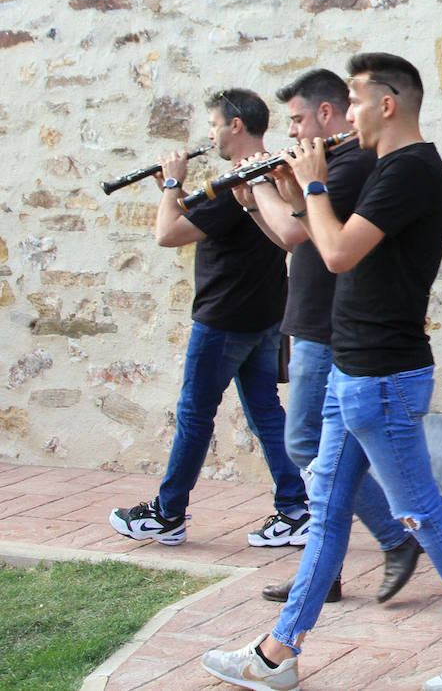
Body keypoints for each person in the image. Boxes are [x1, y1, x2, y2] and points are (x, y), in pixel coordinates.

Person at [201, 54, 442, 691]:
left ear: (387, 104)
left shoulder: (411, 170)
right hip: (353, 368)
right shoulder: (389, 167)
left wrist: (313, 188)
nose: (343, 116)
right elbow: (324, 239)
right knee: (324, 514)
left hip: (385, 375)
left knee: (421, 514)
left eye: (352, 101)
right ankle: (277, 654)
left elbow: (340, 253)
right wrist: (293, 193)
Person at [233, 69, 423, 603]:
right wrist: (256, 198)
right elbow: (294, 241)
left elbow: (299, 231)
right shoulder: (330, 166)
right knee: (326, 454)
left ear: (324, 114)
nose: (290, 134)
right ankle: (327, 571)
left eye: (295, 119)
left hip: (327, 325)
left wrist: (268, 185)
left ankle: (393, 538)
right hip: (312, 320)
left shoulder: (350, 162)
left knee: (306, 446)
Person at [109, 90, 306, 548]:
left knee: (195, 415)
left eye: (215, 124)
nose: (211, 134)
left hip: (223, 321)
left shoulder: (238, 181)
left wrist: (171, 184)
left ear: (236, 126)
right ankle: (295, 508)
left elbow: (167, 233)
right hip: (265, 319)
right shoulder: (273, 172)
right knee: (265, 413)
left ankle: (168, 512)